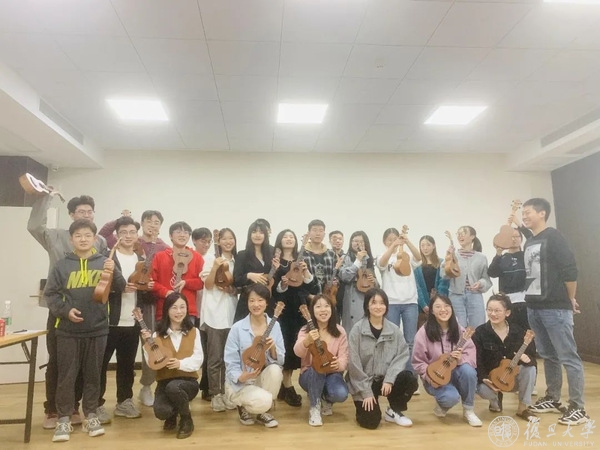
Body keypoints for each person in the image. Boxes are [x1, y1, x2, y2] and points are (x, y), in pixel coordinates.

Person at [28, 193, 107, 429]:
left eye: (89, 212)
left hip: (90, 313)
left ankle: (74, 407)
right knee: (58, 362)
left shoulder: (100, 241)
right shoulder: (55, 236)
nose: (86, 215)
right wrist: (44, 198)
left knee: (85, 364)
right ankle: (53, 409)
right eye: (81, 212)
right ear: (71, 215)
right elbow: (34, 226)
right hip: (60, 310)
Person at [44, 219, 126, 442]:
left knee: (93, 375)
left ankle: (91, 415)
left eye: (87, 235)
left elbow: (120, 286)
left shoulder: (104, 261)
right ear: (71, 239)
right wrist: (65, 311)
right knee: (66, 376)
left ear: (95, 239)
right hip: (67, 331)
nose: (83, 239)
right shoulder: (62, 265)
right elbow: (50, 294)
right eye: (78, 235)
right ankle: (63, 418)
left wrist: (114, 271)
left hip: (97, 329)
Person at [521, 198, 589, 425]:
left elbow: (570, 269)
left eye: (528, 212)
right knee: (548, 355)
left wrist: (570, 298)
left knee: (568, 357)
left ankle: (578, 407)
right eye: (523, 213)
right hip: (534, 307)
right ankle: (552, 397)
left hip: (556, 308)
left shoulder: (554, 237)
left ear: (542, 213)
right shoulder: (530, 241)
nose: (524, 216)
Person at [346, 288, 418, 429]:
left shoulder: (394, 330)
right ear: (367, 306)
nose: (378, 306)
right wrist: (366, 392)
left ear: (386, 306)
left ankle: (394, 410)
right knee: (371, 422)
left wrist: (390, 379)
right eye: (374, 303)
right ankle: (367, 406)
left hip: (386, 380)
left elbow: (402, 355)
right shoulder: (357, 330)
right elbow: (354, 365)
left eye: (382, 303)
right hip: (364, 383)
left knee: (409, 379)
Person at [98, 217, 146, 424]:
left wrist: (146, 289)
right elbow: (100, 285)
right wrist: (119, 287)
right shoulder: (107, 257)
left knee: (127, 365)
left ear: (137, 235)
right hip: (109, 321)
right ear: (116, 235)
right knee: (100, 364)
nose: (128, 236)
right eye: (124, 232)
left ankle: (124, 402)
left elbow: (143, 290)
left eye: (132, 232)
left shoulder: (141, 260)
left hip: (132, 321)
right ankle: (96, 404)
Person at [412, 293, 482, 427]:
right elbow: (418, 362)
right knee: (451, 398)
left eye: (446, 306)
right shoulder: (423, 332)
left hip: (455, 373)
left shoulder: (460, 330)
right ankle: (443, 404)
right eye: (438, 307)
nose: (443, 310)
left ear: (451, 308)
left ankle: (468, 410)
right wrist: (429, 376)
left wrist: (460, 359)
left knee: (469, 371)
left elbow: (471, 356)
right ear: (432, 311)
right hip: (435, 377)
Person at [142, 292, 203, 439]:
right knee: (161, 411)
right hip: (165, 382)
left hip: (188, 382)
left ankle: (186, 419)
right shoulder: (156, 335)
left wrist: (180, 363)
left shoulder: (194, 332)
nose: (179, 311)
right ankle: (174, 412)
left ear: (187, 309)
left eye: (182, 307)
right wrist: (146, 344)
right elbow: (152, 364)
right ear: (167, 310)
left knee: (174, 387)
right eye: (174, 308)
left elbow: (198, 359)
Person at [224, 284, 284, 428]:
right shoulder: (237, 328)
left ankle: (262, 412)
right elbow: (230, 361)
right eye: (252, 300)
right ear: (247, 303)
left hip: (259, 378)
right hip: (240, 382)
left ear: (267, 302)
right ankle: (243, 406)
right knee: (264, 400)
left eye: (260, 300)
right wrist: (241, 376)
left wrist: (273, 348)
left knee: (275, 370)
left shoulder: (274, 326)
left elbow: (281, 360)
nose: (256, 304)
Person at [272, 229, 318, 407]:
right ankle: (287, 386)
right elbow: (274, 288)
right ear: (280, 240)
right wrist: (283, 284)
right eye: (285, 236)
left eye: (291, 236)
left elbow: (311, 287)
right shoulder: (277, 261)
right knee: (284, 344)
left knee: (296, 344)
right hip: (283, 307)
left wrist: (306, 273)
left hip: (299, 308)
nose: (289, 239)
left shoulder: (302, 260)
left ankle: (285, 385)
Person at [473, 294, 537, 421]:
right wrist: (484, 378)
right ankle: (495, 399)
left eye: (497, 311)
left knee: (530, 369)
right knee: (483, 389)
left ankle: (522, 408)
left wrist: (527, 359)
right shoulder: (480, 332)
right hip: (491, 380)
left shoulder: (519, 331)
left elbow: (532, 358)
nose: (493, 314)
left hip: (511, 379)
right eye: (489, 310)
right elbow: (477, 360)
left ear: (507, 312)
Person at [294, 294, 349, 426]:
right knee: (317, 367)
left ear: (332, 309)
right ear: (312, 311)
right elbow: (298, 352)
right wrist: (306, 341)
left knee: (341, 393)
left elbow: (344, 357)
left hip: (331, 373)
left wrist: (339, 364)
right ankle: (314, 407)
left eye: (326, 306)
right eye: (318, 306)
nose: (323, 310)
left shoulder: (340, 331)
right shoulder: (305, 330)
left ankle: (325, 398)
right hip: (310, 374)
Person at [200, 227, 239, 412]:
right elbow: (208, 285)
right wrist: (215, 266)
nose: (228, 241)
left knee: (228, 358)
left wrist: (232, 289)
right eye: (224, 238)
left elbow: (238, 286)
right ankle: (215, 394)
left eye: (231, 238)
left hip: (232, 314)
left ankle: (226, 393)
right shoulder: (210, 258)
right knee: (215, 357)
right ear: (218, 241)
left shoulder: (237, 261)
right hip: (213, 314)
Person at [376, 228, 422, 371]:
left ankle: (409, 375)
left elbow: (419, 257)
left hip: (410, 303)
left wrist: (407, 242)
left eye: (395, 238)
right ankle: (393, 374)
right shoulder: (382, 256)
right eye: (389, 239)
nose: (393, 241)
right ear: (384, 241)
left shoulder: (407, 256)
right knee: (391, 340)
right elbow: (381, 263)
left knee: (410, 341)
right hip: (391, 303)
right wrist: (393, 246)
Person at [151, 221, 204, 323]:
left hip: (188, 311)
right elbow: (152, 282)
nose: (182, 235)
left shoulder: (197, 257)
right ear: (170, 236)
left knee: (188, 334)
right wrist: (166, 292)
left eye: (186, 232)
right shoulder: (160, 256)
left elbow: (202, 282)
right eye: (178, 232)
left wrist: (186, 283)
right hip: (164, 310)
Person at [440, 226, 492, 328]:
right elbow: (443, 275)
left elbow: (486, 279)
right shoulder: (453, 255)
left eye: (463, 233)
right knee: (458, 328)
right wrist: (448, 259)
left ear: (472, 236)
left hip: (475, 295)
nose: (460, 236)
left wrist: (480, 283)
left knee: (478, 327)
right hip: (456, 295)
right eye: (458, 233)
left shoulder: (481, 257)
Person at [488, 226, 531, 330]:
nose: (514, 239)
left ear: (521, 239)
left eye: (517, 236)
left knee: (527, 331)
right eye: (511, 237)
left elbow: (532, 238)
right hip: (507, 301)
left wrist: (520, 225)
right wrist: (498, 254)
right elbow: (492, 273)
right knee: (509, 331)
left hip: (525, 301)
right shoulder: (502, 258)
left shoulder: (527, 255)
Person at [233, 220, 273, 321]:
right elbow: (236, 281)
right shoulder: (242, 255)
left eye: (261, 232)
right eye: (254, 232)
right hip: (247, 302)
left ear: (265, 235)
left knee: (268, 329)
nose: (257, 235)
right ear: (250, 235)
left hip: (267, 300)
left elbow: (274, 278)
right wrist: (249, 275)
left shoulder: (271, 253)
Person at [339, 231, 379, 335]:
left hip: (367, 299)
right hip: (351, 298)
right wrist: (358, 261)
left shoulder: (369, 259)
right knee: (352, 333)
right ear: (350, 242)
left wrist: (373, 280)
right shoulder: (344, 258)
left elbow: (377, 285)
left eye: (361, 241)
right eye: (355, 241)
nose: (358, 243)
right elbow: (344, 276)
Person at [191, 227, 212, 401]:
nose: (206, 244)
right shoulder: (188, 257)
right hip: (191, 311)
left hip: (208, 313)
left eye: (208, 241)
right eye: (202, 241)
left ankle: (206, 386)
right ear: (194, 241)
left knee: (207, 351)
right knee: (190, 350)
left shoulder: (213, 259)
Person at [414, 235, 449, 326]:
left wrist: (438, 302)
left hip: (439, 302)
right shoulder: (417, 265)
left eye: (428, 245)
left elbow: (444, 283)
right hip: (422, 305)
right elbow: (416, 286)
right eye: (422, 245)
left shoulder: (441, 262)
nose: (425, 248)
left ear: (434, 246)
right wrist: (423, 305)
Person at [303, 220, 337, 295]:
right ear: (308, 233)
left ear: (324, 234)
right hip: (309, 297)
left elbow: (336, 274)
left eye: (321, 231)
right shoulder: (302, 254)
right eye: (314, 230)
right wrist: (309, 296)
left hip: (328, 297)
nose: (318, 233)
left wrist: (335, 282)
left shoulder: (331, 254)